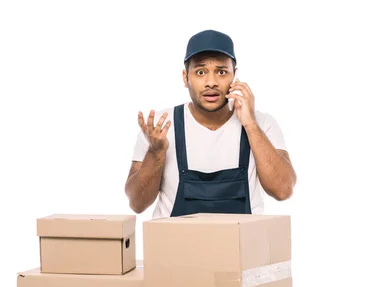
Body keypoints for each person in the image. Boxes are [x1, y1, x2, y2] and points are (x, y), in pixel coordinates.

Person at [124, 29, 297, 218]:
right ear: (185, 77)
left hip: (241, 245)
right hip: (174, 245)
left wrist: (251, 126)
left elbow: (283, 190)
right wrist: (155, 153)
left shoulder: (262, 123)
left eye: (221, 72)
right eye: (200, 72)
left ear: (234, 76)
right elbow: (137, 204)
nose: (211, 82)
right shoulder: (160, 126)